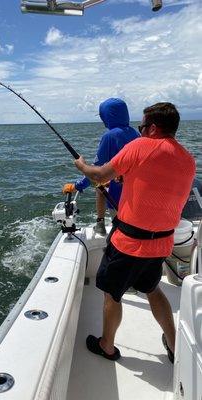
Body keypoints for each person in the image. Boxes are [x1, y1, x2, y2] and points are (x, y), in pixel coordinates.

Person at [74, 102, 196, 362]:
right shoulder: (187, 159)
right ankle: (175, 347)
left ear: (152, 127)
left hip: (128, 243)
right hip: (162, 244)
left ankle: (107, 345)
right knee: (153, 289)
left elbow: (99, 175)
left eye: (142, 127)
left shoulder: (139, 146)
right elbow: (158, 185)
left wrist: (83, 167)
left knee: (112, 292)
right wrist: (128, 178)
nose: (139, 131)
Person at [63, 98, 139, 234]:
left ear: (107, 116)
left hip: (119, 197)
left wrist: (77, 186)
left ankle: (100, 224)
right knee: (102, 187)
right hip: (137, 194)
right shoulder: (136, 134)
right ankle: (100, 224)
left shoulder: (109, 136)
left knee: (121, 234)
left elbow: (96, 174)